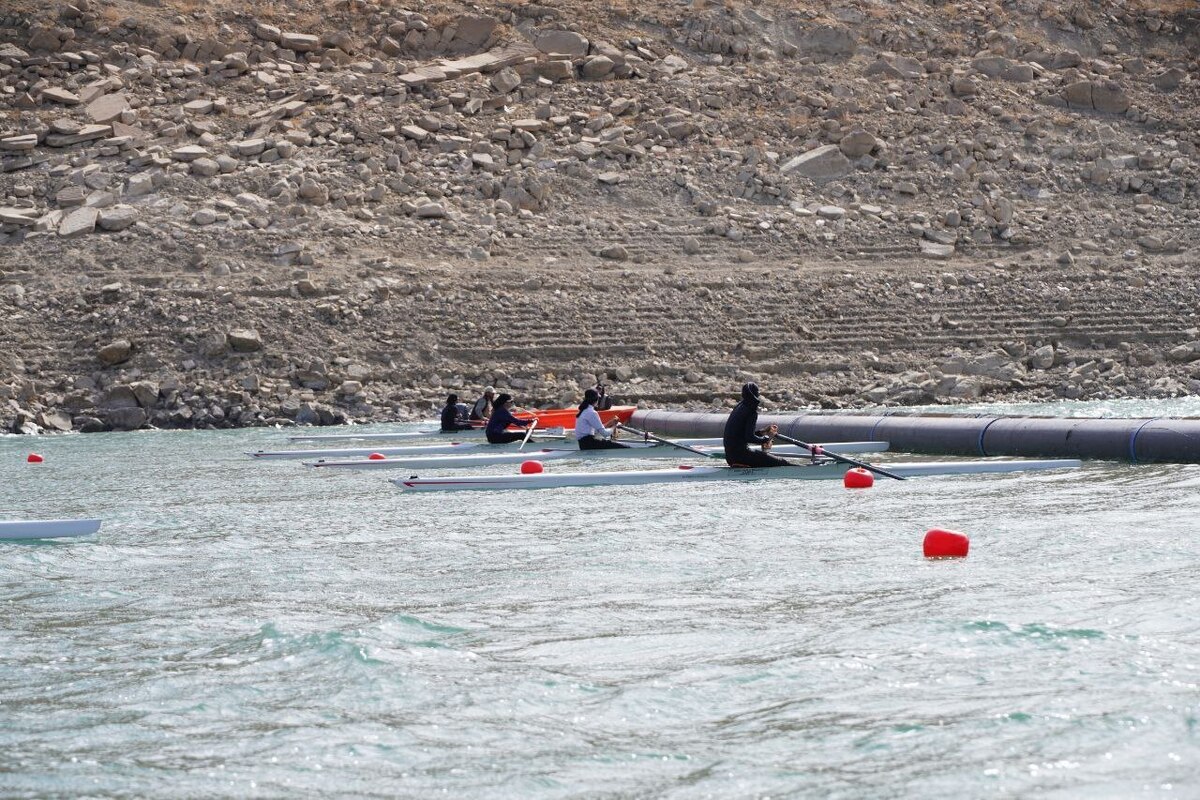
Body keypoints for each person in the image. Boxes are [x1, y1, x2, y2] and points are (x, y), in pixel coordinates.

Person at [722, 382, 792, 468]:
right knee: (782, 462)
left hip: (730, 457)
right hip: (741, 457)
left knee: (764, 458)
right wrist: (766, 438)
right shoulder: (751, 411)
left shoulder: (739, 407)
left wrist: (763, 432)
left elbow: (743, 435)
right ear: (756, 394)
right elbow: (749, 438)